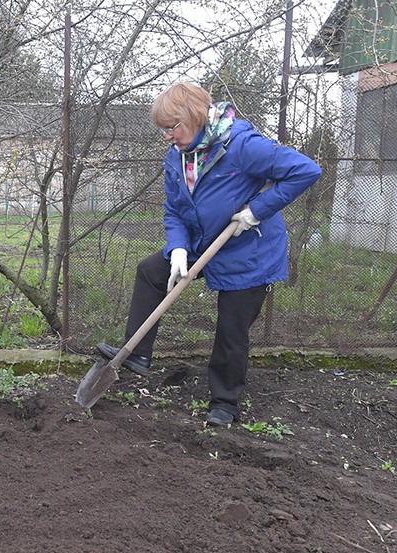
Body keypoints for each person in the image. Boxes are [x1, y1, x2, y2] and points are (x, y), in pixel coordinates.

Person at [96, 82, 321, 428]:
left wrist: (256, 211)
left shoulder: (242, 145)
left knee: (231, 328)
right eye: (164, 130)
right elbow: (173, 210)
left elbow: (306, 170)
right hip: (205, 243)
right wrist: (179, 250)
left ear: (194, 116)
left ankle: (225, 403)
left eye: (173, 127)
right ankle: (136, 353)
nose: (168, 136)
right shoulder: (177, 157)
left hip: (250, 251)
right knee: (151, 272)